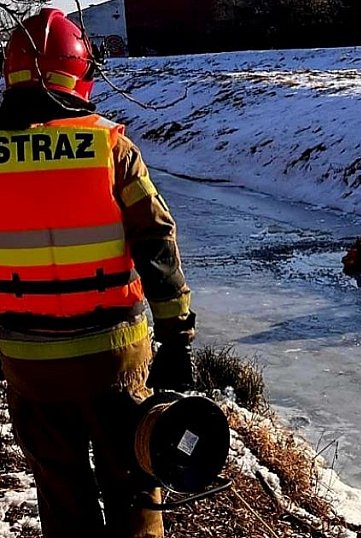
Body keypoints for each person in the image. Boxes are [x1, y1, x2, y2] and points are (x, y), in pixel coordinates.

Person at [0, 9, 195, 538]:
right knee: (135, 481)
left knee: (61, 493)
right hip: (115, 356)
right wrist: (178, 338)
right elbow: (157, 239)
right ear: (80, 71)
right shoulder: (110, 148)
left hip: (29, 364)